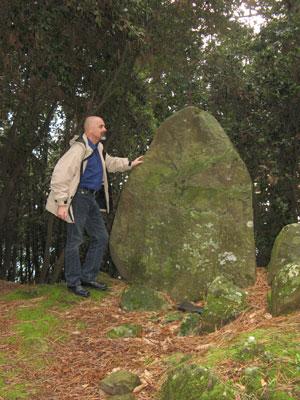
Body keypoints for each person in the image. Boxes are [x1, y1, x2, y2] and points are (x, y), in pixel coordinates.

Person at [46, 116, 143, 297]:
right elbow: (60, 174)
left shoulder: (97, 148)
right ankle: (73, 283)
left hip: (91, 199)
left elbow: (110, 163)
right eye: (101, 126)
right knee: (75, 240)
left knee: (101, 237)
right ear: (90, 129)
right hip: (77, 199)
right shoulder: (78, 149)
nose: (104, 129)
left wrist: (130, 164)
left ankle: (87, 277)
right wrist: (61, 203)